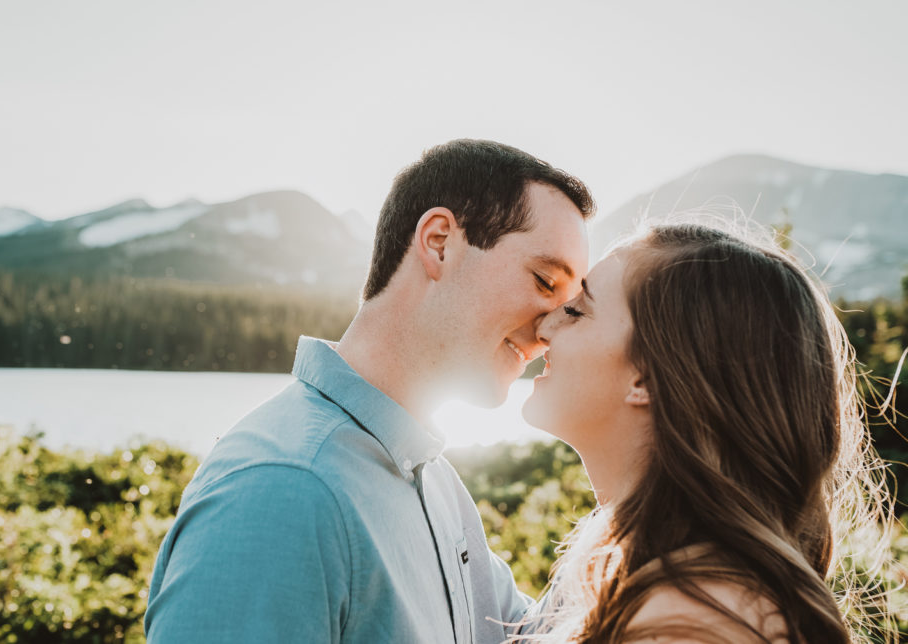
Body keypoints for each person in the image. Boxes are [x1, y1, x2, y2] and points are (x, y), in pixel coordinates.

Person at [144, 139, 596, 642]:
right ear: (440, 242)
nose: (550, 330)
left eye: (570, 305)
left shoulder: (434, 483)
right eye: (544, 281)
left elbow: (542, 635)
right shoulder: (285, 491)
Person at [517, 223, 893, 643]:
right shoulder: (682, 591)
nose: (544, 328)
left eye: (576, 311)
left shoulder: (692, 622)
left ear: (649, 377)